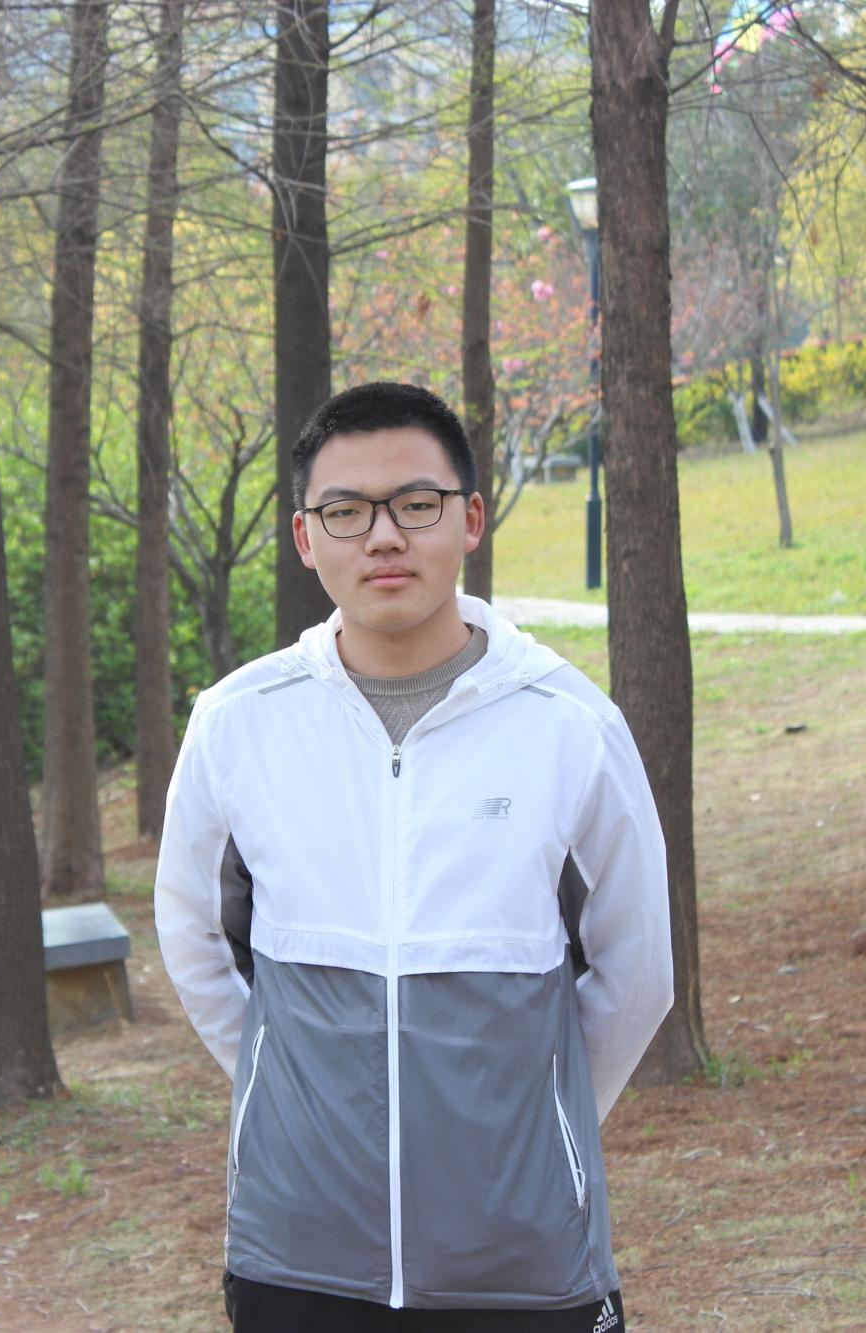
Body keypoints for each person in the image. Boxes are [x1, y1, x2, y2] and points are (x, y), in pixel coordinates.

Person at [154, 382, 673, 1332]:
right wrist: (286, 1096)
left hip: (525, 1253)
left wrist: (539, 1124)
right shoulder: (237, 724)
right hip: (299, 1250)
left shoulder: (570, 725)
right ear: (306, 537)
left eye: (416, 504)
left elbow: (638, 971)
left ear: (470, 518)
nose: (384, 536)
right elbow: (193, 940)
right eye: (346, 512)